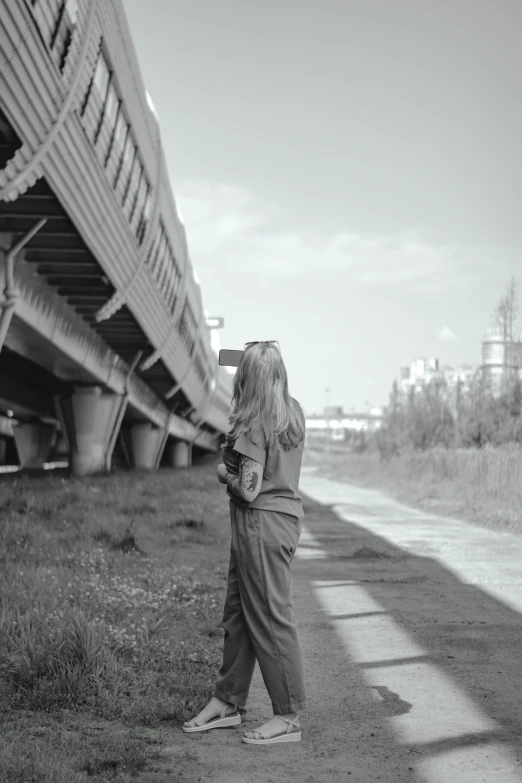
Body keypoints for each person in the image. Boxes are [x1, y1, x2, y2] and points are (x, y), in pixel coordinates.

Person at [183, 340, 307, 745]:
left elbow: (249, 489)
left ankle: (287, 716)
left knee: (270, 620)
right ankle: (227, 702)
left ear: (247, 379)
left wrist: (224, 473)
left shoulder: (255, 425)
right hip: (275, 524)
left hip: (260, 526)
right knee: (237, 615)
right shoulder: (293, 412)